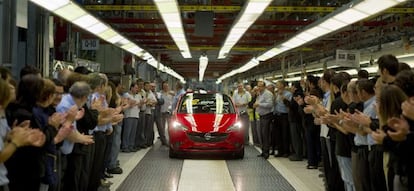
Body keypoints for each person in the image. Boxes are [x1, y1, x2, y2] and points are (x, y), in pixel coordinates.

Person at [253, 80, 274, 159]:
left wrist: (259, 104)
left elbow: (270, 104)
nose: (259, 87)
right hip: (261, 116)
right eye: (258, 86)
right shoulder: (260, 94)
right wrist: (256, 104)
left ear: (264, 87)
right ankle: (263, 151)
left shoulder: (268, 94)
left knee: (265, 135)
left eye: (260, 86)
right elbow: (257, 102)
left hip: (267, 116)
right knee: (262, 134)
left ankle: (266, 153)